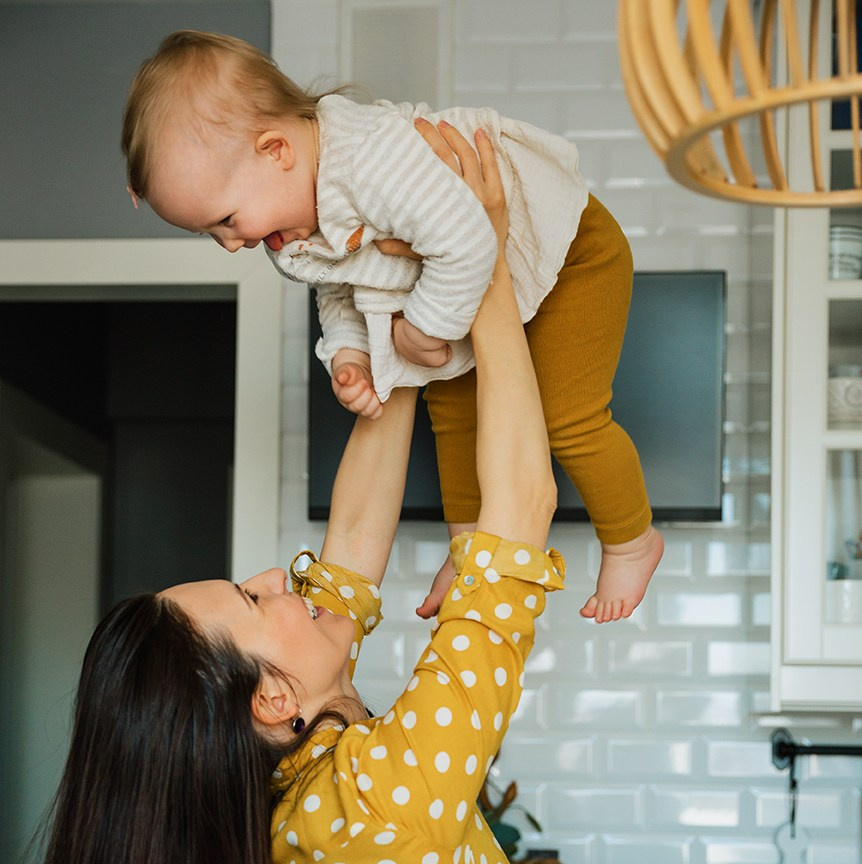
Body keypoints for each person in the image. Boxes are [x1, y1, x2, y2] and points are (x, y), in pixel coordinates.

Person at [27, 123, 568, 864]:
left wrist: (394, 312)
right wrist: (481, 262)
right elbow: (519, 509)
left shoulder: (275, 793)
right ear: (271, 695)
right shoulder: (377, 801)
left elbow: (355, 532)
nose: (281, 575)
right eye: (252, 596)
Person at [121, 28, 664, 624]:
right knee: (451, 412)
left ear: (275, 150)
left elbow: (467, 239)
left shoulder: (368, 158)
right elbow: (340, 288)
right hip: (466, 281)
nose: (231, 244)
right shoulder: (292, 229)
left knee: (567, 418)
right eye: (211, 233)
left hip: (565, 251)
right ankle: (470, 552)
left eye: (226, 220)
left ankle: (632, 541)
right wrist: (349, 354)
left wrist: (423, 329)